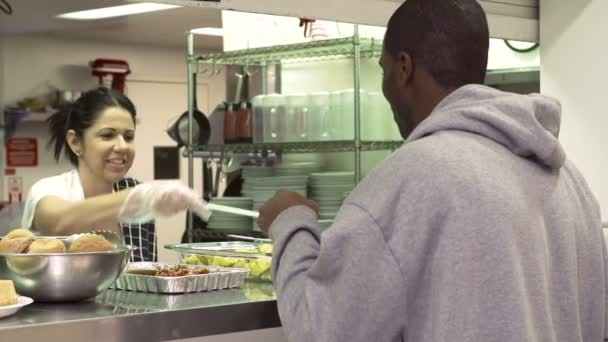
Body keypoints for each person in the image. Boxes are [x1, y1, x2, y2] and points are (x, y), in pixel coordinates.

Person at [257, 0, 607, 341]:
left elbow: (320, 329)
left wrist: (290, 221)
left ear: (404, 69)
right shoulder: (569, 180)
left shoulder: (413, 178)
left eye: (384, 69)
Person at [21, 87, 208, 262]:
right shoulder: (50, 188)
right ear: (76, 142)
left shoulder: (136, 193)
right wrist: (137, 198)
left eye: (128, 137)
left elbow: (145, 274)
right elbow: (58, 222)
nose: (122, 146)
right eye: (107, 135)